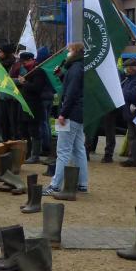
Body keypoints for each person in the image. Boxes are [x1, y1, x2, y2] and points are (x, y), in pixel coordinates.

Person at [43, 42, 87, 195]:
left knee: (63, 151)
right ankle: (82, 183)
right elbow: (74, 88)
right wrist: (62, 76)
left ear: (75, 51)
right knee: (78, 149)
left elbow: (72, 93)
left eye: (69, 50)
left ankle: (55, 185)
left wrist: (63, 113)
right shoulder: (79, 67)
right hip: (78, 113)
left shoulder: (75, 68)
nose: (67, 53)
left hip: (70, 114)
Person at [16, 51, 50, 163]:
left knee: (34, 130)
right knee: (23, 130)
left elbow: (37, 88)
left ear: (31, 60)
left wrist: (24, 82)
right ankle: (27, 153)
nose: (23, 64)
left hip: (34, 106)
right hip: (25, 104)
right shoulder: (29, 71)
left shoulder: (38, 71)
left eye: (25, 62)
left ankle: (35, 155)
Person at [0, 44, 21, 141]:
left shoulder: (16, 65)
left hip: (12, 98)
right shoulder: (0, 64)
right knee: (3, 122)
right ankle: (5, 142)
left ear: (6, 53)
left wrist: (8, 80)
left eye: (0, 51)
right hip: (2, 97)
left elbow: (21, 79)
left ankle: (15, 143)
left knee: (13, 123)